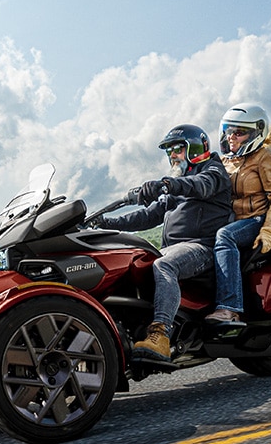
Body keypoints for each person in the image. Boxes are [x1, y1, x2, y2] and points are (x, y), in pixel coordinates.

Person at [93, 124, 233, 361]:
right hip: (173, 248)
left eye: (178, 149)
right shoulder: (178, 185)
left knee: (164, 265)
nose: (172, 155)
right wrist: (104, 222)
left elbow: (199, 186)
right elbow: (148, 215)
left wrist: (167, 184)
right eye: (169, 151)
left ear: (196, 147)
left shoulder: (213, 172)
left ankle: (161, 334)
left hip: (202, 247)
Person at [205, 103, 271, 324]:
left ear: (256, 132)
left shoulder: (264, 157)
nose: (231, 137)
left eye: (239, 132)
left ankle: (230, 308)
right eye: (229, 131)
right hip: (232, 220)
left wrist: (268, 232)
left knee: (225, 236)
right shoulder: (225, 161)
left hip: (256, 219)